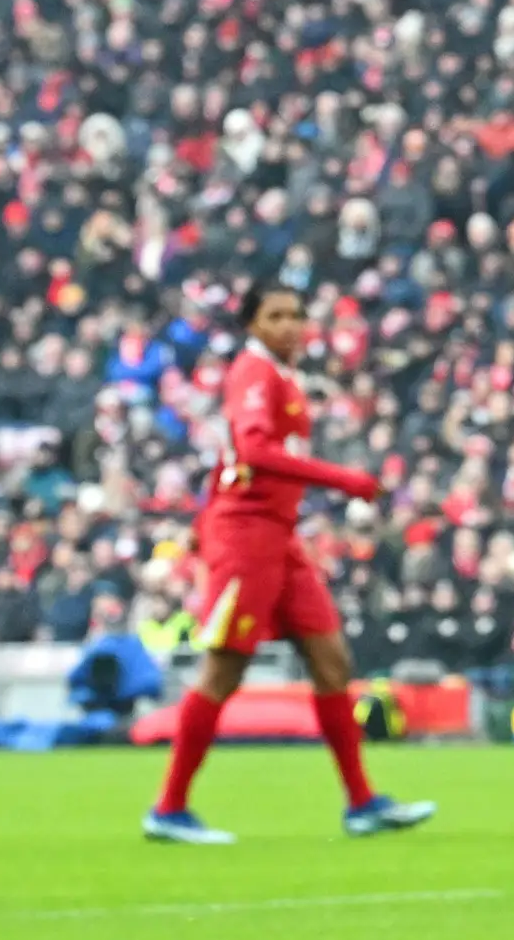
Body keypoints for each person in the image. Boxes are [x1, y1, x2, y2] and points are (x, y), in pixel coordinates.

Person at [145, 283, 434, 844]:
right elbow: (252, 452)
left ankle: (362, 803)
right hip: (247, 536)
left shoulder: (281, 377)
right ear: (251, 325)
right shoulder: (253, 373)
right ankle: (169, 807)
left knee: (331, 660)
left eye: (297, 316)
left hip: (279, 538)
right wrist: (343, 479)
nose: (290, 326)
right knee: (225, 670)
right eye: (275, 316)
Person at [64, 591, 165, 740]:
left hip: (116, 711)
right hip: (114, 712)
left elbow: (75, 678)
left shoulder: (115, 645)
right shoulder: (113, 645)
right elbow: (151, 681)